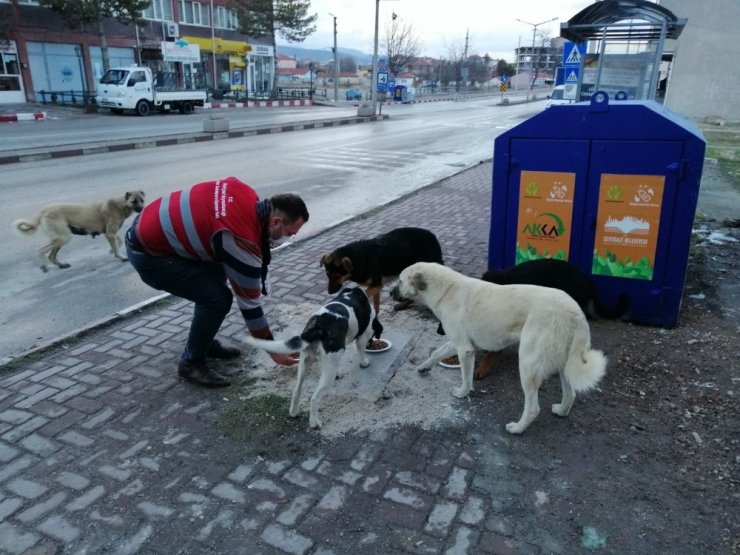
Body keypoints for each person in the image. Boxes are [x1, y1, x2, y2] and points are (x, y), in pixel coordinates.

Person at [125, 176, 309, 388]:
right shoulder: (240, 240)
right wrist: (274, 350)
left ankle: (204, 342)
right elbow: (250, 306)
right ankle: (191, 363)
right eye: (289, 234)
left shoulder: (247, 193)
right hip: (150, 254)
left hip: (151, 224)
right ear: (276, 222)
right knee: (216, 299)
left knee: (217, 275)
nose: (287, 239)